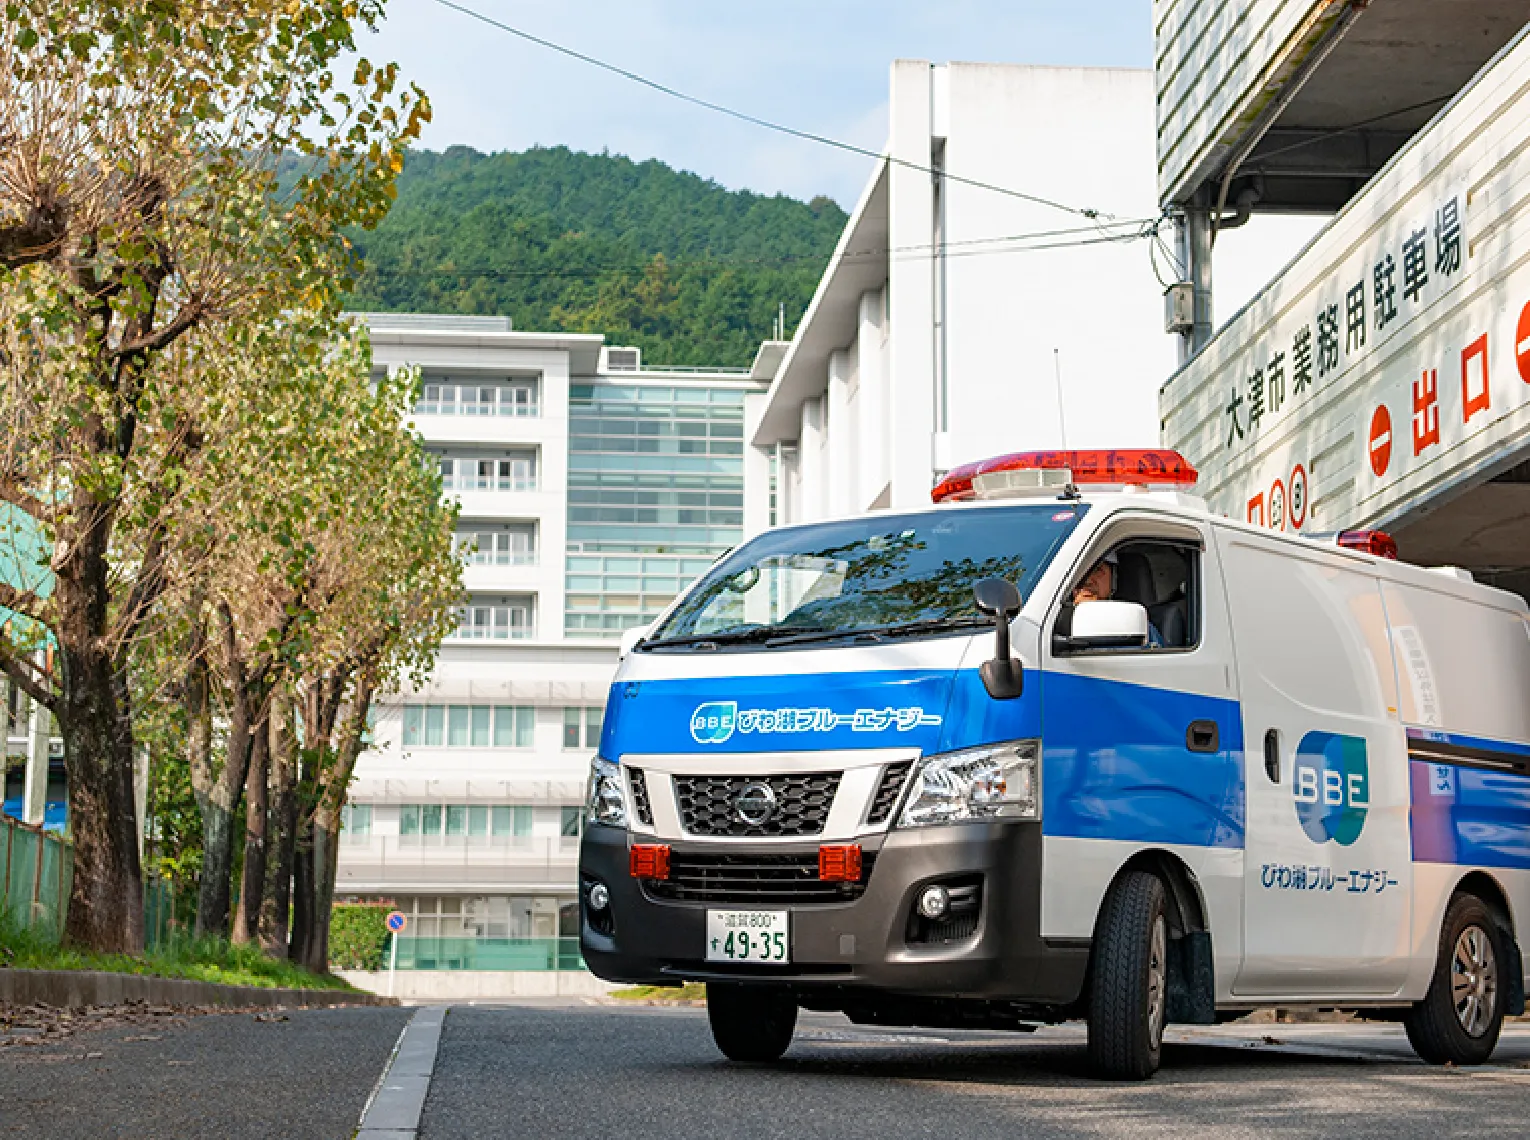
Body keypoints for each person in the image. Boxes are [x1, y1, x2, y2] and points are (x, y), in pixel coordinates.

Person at [1071, 552, 1164, 647]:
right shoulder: (1056, 618)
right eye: (1079, 573)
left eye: (1097, 570)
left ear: (1113, 577)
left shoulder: (1135, 624)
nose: (1088, 581)